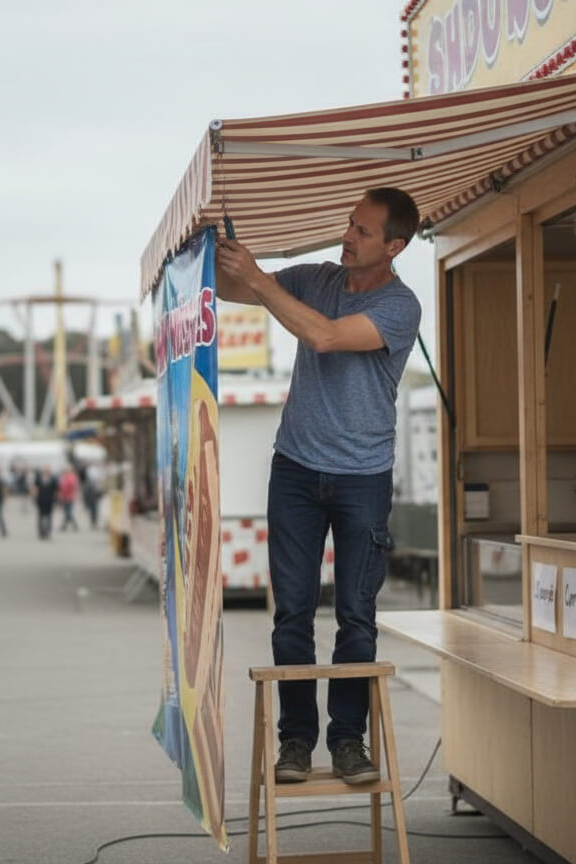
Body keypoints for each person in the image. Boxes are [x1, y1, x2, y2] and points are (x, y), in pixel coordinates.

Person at [216, 187, 422, 785]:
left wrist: (259, 278)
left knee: (356, 616)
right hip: (297, 471)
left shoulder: (400, 306)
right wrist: (218, 261)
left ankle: (348, 740)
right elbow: (242, 289)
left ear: (394, 246)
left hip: (364, 477)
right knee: (292, 616)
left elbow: (325, 336)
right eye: (349, 223)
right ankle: (296, 742)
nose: (347, 234)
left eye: (361, 230)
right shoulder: (317, 276)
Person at [33, 466, 58, 540]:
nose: (47, 472)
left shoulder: (53, 479)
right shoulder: (39, 478)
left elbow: (56, 490)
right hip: (41, 500)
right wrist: (35, 497)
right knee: (40, 517)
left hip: (50, 500)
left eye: (48, 470)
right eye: (45, 470)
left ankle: (48, 531)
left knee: (49, 517)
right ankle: (41, 531)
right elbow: (35, 488)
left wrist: (56, 499)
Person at [57, 465, 79, 531]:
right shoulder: (63, 478)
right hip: (64, 497)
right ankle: (70, 525)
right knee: (66, 512)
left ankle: (65, 526)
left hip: (70, 497)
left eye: (66, 471)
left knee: (68, 512)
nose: (65, 472)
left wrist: (72, 493)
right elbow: (60, 487)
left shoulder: (72, 477)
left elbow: (74, 487)